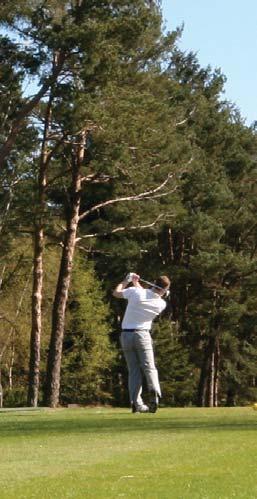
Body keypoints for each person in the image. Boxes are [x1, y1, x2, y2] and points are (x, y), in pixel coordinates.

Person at [113, 272, 170, 413]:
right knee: (149, 367)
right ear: (164, 290)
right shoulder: (161, 304)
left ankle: (136, 403)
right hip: (142, 336)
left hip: (126, 335)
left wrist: (127, 280)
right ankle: (154, 392)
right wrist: (135, 282)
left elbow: (117, 293)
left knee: (134, 370)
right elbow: (145, 294)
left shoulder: (135, 292)